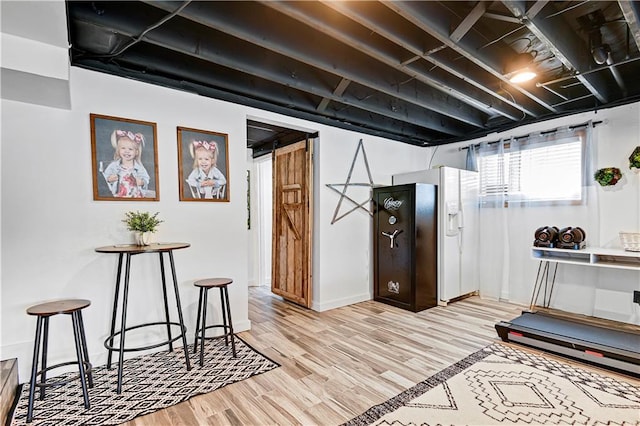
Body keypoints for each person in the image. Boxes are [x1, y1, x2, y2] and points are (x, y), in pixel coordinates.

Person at [102, 129, 150, 198]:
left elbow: (146, 179)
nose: (126, 151)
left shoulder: (139, 168)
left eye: (130, 149)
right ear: (118, 150)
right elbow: (105, 178)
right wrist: (109, 179)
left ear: (136, 152)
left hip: (135, 196)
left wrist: (142, 182)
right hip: (118, 195)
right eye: (123, 148)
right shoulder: (114, 166)